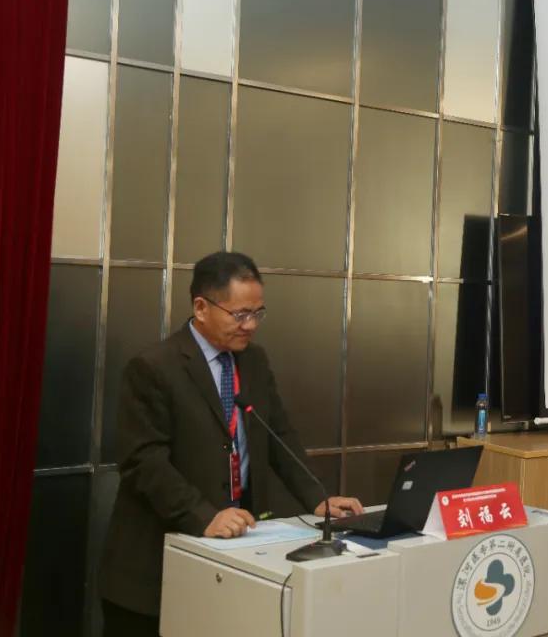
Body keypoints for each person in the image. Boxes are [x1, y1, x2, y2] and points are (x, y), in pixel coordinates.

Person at [99, 252, 363, 636]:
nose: (250, 325)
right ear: (201, 307)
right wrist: (203, 514)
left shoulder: (254, 361)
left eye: (257, 313)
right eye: (240, 314)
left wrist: (317, 497)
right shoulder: (154, 367)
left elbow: (278, 435)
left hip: (232, 561)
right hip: (154, 568)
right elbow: (143, 461)